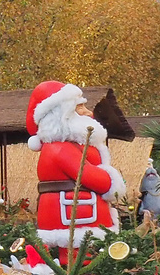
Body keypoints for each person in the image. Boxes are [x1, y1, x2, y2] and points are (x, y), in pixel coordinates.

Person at [26, 81, 126, 262]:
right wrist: (112, 181)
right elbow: (89, 176)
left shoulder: (67, 145)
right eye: (80, 107)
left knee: (84, 256)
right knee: (78, 258)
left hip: (80, 209)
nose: (89, 112)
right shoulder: (60, 148)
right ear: (61, 114)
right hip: (74, 213)